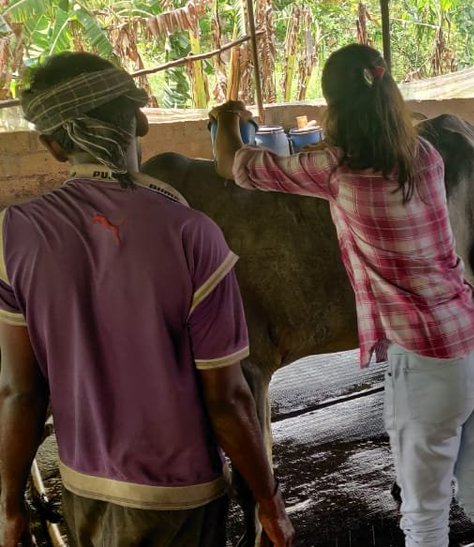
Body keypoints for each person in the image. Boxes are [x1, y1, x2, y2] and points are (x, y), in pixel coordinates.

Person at [209, 44, 474, 547]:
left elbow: (233, 165)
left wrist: (228, 119)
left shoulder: (336, 172)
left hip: (428, 363)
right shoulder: (427, 155)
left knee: (423, 517)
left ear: (334, 108)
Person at [0, 53, 292, 547]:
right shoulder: (191, 233)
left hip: (84, 488)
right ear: (138, 120)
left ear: (52, 146)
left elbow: (21, 393)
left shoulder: (14, 234)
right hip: (182, 499)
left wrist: (9, 505)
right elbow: (228, 397)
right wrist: (268, 500)